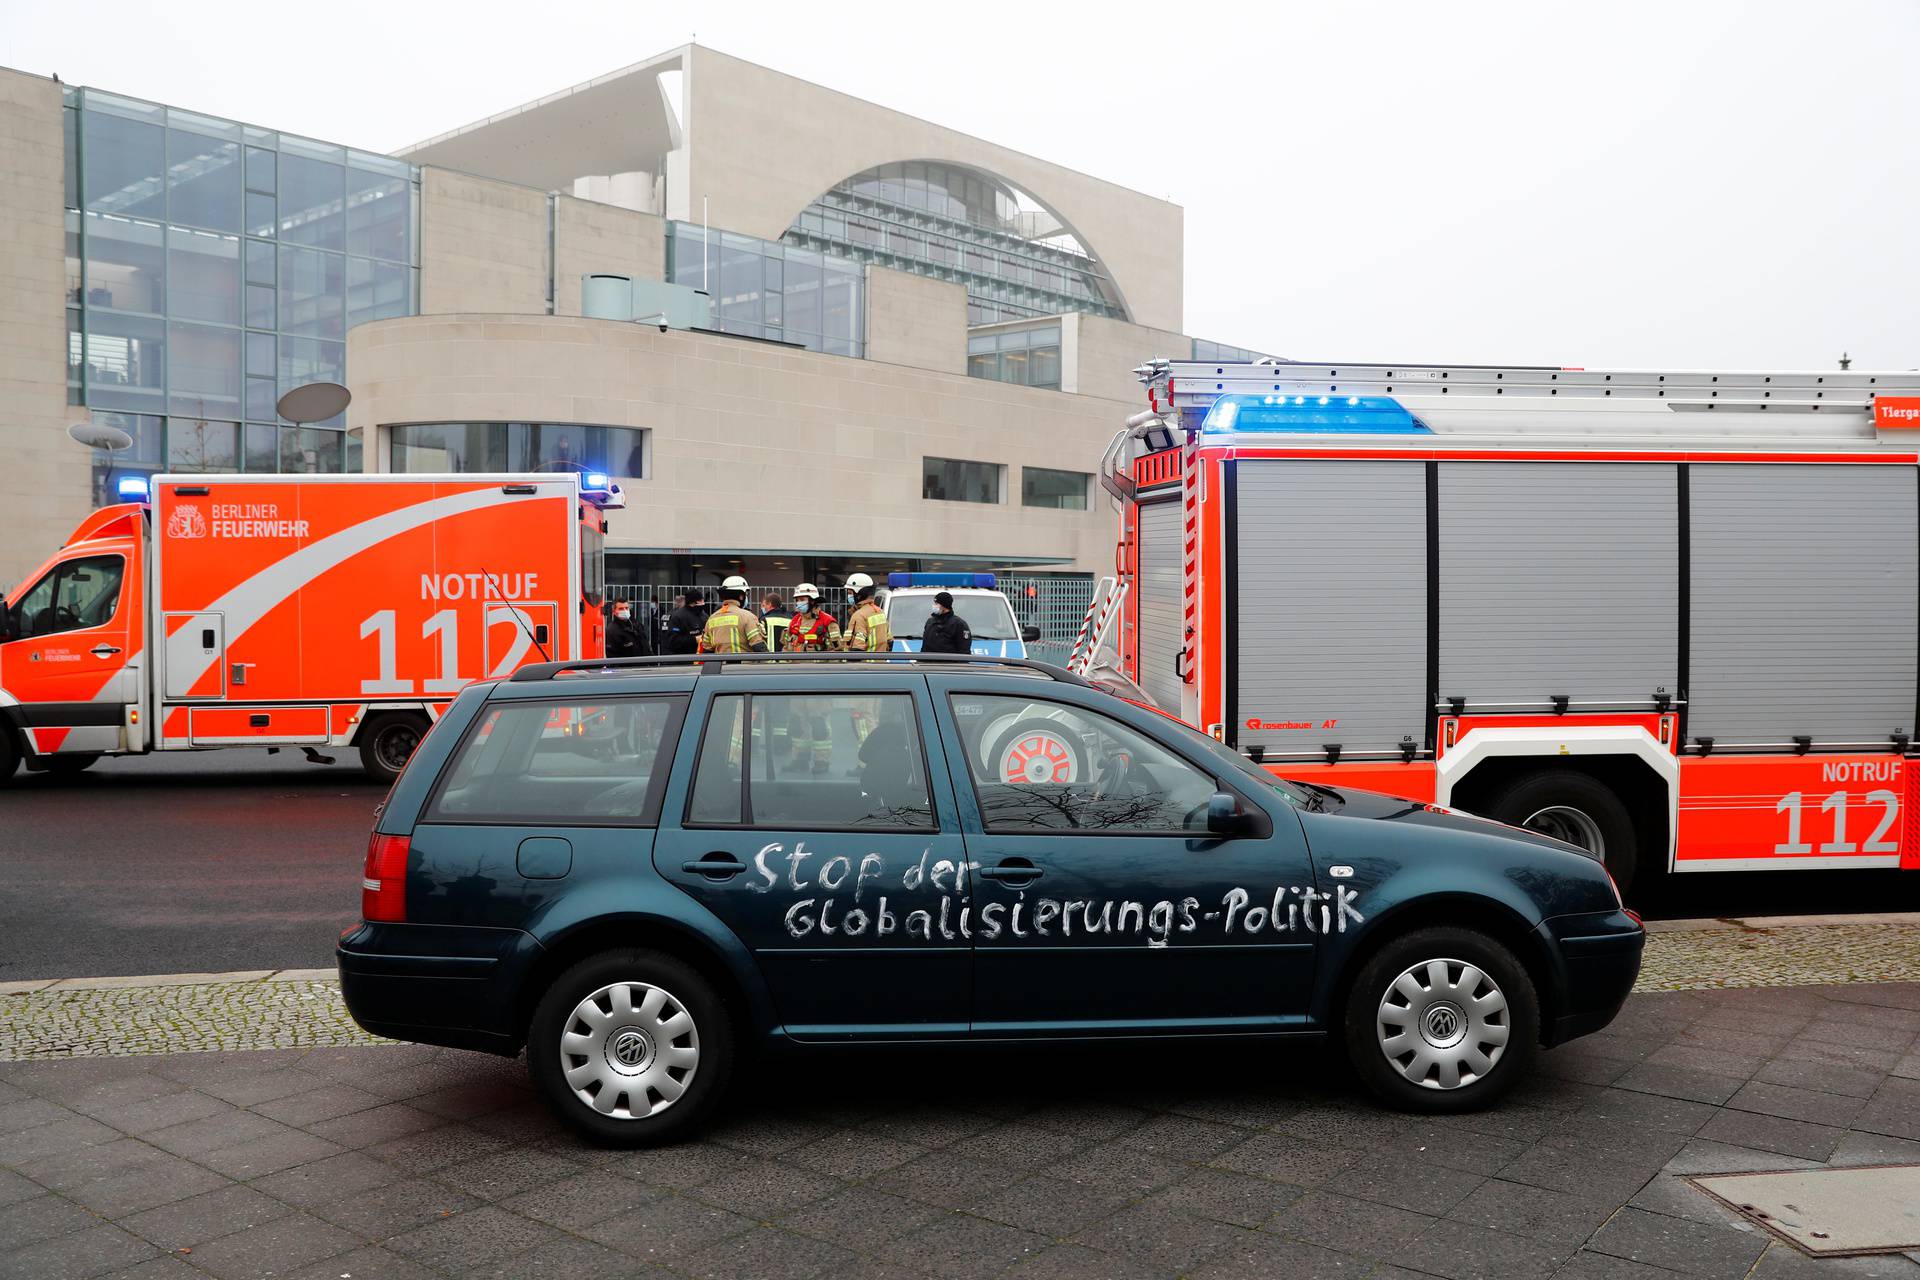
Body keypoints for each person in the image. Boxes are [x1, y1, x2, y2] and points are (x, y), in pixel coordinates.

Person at [700, 576, 768, 654]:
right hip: (744, 665)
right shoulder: (748, 617)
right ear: (741, 596)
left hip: (720, 665)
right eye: (745, 595)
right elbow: (759, 646)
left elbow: (706, 650)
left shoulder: (711, 619)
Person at [784, 582, 843, 651]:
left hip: (818, 661)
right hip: (795, 661)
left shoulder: (828, 621)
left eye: (802, 600)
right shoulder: (794, 621)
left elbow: (837, 650)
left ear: (812, 601)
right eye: (797, 600)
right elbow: (785, 648)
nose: (798, 603)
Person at [843, 572, 892, 652]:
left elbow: (856, 649)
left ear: (859, 594)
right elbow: (890, 641)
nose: (849, 596)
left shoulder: (859, 615)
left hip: (863, 664)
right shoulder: (879, 612)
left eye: (850, 593)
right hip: (881, 663)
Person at [919, 590, 973, 655]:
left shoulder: (959, 624)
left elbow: (964, 651)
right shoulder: (930, 621)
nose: (934, 606)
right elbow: (925, 646)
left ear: (944, 605)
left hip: (947, 664)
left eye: (936, 604)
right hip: (927, 663)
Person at [664, 591, 704, 656]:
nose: (703, 603)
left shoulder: (703, 615)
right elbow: (673, 641)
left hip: (701, 657)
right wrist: (694, 639)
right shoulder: (678, 617)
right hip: (684, 659)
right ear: (693, 602)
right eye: (701, 600)